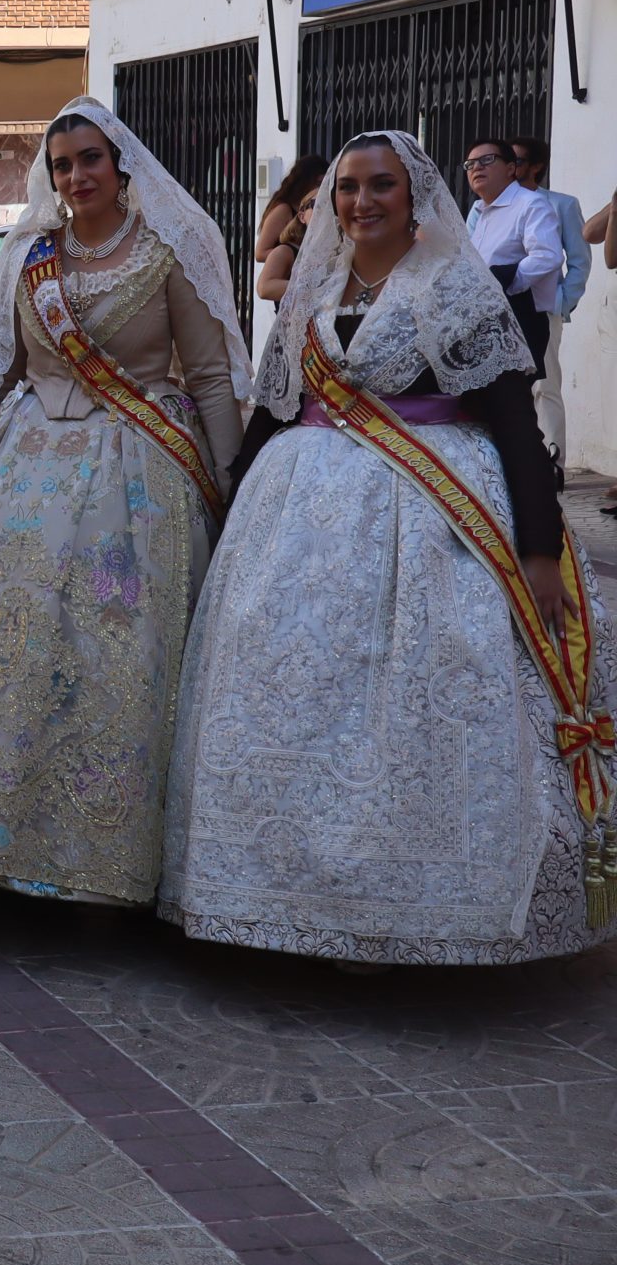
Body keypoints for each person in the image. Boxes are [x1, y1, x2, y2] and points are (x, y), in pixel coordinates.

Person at [167, 132, 615, 964]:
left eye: (380, 185)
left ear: (414, 196)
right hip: (295, 523)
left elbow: (515, 423)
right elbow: (274, 410)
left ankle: (423, 909)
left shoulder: (456, 287)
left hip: (433, 518)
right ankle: (278, 893)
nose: (362, 200)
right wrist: (226, 509)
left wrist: (539, 547)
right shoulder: (312, 289)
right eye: (348, 187)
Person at [0, 99, 247, 905]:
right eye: (61, 164)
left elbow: (208, 375)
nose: (76, 175)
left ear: (120, 164)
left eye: (89, 158)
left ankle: (93, 857)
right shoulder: (31, 257)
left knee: (109, 650)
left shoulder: (168, 250)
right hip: (23, 464)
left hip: (135, 465)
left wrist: (232, 483)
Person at [512, 136, 585, 470]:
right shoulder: (486, 207)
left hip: (542, 308)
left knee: (544, 384)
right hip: (499, 310)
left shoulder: (561, 204)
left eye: (517, 161)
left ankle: (552, 465)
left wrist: (563, 301)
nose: (509, 167)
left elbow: (579, 260)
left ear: (536, 166)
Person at [464, 136, 559, 368]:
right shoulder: (480, 211)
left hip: (517, 318)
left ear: (510, 168)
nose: (477, 167)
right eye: (470, 164)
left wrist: (499, 284)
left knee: (511, 390)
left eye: (487, 160)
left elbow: (547, 256)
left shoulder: (531, 204)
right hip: (479, 318)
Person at [256, 154, 328, 266]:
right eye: (318, 183)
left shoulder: (315, 208)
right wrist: (296, 256)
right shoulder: (283, 209)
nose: (321, 189)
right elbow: (260, 253)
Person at [256, 186, 315, 303]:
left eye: (329, 204)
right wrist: (317, 290)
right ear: (302, 216)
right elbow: (264, 288)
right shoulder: (286, 251)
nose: (323, 209)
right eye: (316, 204)